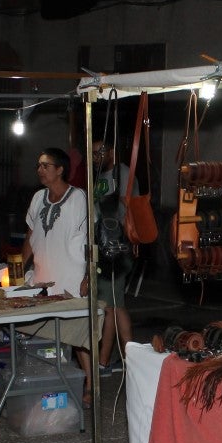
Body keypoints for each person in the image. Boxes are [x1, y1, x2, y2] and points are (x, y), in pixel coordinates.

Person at [21, 147, 92, 404]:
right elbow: (31, 235)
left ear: (60, 169)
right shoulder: (38, 198)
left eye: (46, 165)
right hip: (43, 274)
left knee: (78, 335)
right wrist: (20, 266)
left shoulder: (78, 198)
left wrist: (89, 276)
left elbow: (90, 240)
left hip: (72, 275)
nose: (40, 170)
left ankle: (90, 386)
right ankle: (48, 382)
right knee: (45, 333)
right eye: (39, 165)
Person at [91, 140, 134, 375]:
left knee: (112, 306)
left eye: (100, 152)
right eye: (93, 153)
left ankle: (107, 361)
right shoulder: (100, 176)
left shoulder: (122, 173)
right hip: (104, 245)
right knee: (113, 305)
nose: (96, 157)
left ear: (112, 151)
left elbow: (128, 209)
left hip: (117, 247)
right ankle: (124, 361)